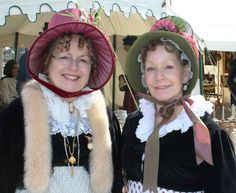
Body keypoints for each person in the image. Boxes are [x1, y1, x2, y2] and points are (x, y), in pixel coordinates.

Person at [0, 8, 122, 193]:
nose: (73, 67)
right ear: (47, 62)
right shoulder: (15, 116)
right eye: (64, 57)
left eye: (83, 60)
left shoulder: (104, 118)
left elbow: (116, 183)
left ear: (92, 67)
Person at [121, 16, 236, 193]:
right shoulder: (134, 124)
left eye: (168, 66)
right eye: (151, 68)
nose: (159, 76)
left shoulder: (207, 135)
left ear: (186, 73)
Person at [118, 35, 138, 113]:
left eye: (126, 48)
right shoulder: (131, 57)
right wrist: (123, 78)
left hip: (136, 92)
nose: (125, 49)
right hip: (131, 90)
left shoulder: (139, 58)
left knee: (134, 112)